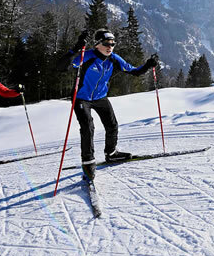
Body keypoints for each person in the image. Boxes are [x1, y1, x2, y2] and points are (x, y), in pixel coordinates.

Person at [57, 28, 159, 181]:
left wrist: (148, 65)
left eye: (112, 44)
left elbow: (134, 71)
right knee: (87, 127)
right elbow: (61, 67)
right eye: (106, 43)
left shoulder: (114, 59)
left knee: (112, 125)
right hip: (81, 98)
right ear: (97, 44)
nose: (110, 47)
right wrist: (76, 48)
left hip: (100, 97)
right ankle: (88, 162)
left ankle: (111, 153)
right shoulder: (87, 56)